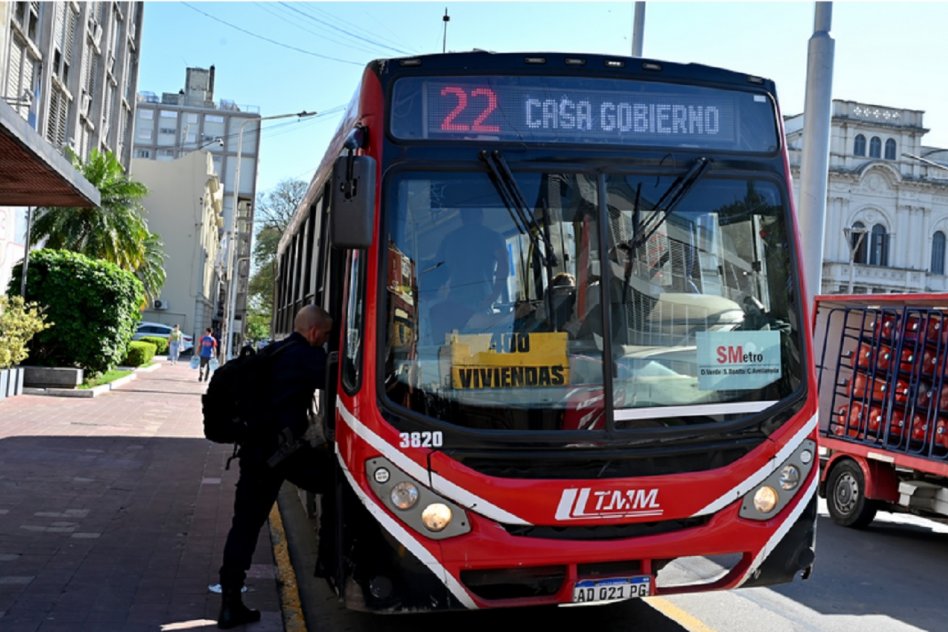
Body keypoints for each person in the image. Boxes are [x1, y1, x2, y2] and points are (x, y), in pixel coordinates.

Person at [217, 304, 334, 629]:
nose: (325, 341)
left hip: (254, 453)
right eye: (325, 335)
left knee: (244, 526)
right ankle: (330, 558)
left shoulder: (274, 351)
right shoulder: (308, 356)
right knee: (339, 484)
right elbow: (347, 382)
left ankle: (230, 603)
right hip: (284, 454)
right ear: (313, 332)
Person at [429, 208, 508, 340]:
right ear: (481, 215)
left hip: (454, 303)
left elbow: (438, 271)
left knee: (455, 345)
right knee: (483, 343)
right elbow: (503, 266)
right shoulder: (493, 237)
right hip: (482, 300)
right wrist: (493, 296)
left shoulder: (449, 239)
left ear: (462, 217)